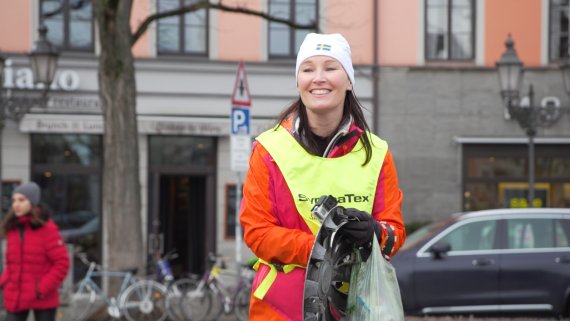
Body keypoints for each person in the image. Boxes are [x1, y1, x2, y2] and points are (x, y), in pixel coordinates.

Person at [240, 33, 406, 321]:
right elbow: (257, 232)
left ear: (349, 81)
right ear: (298, 82)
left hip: (354, 308)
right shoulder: (268, 149)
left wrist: (375, 233)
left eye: (330, 68)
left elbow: (394, 233)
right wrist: (325, 247)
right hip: (279, 311)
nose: (318, 78)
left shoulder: (377, 153)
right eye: (308, 69)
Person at [0, 182, 70, 321]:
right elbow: (11, 264)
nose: (16, 205)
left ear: (32, 202)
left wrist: (41, 288)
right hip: (16, 295)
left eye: (21, 200)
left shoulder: (47, 229)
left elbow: (62, 263)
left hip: (43, 297)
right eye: (14, 200)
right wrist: (5, 281)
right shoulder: (13, 228)